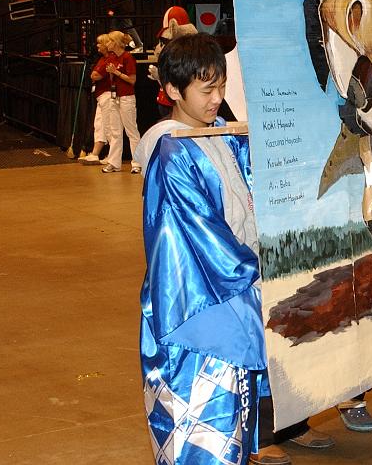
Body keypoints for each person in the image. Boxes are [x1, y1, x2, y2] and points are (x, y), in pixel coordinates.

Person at [131, 32, 266, 465]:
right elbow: (200, 234)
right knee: (200, 428)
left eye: (222, 86)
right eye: (206, 90)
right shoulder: (171, 152)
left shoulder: (220, 137)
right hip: (194, 312)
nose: (217, 99)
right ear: (173, 90)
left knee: (232, 427)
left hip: (232, 305)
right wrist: (262, 267)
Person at [101, 31, 142, 174]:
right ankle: (114, 162)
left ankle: (137, 162)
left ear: (116, 43)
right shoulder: (112, 57)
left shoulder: (128, 57)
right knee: (115, 131)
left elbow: (132, 80)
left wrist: (116, 73)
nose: (107, 44)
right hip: (114, 97)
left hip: (126, 98)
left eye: (110, 41)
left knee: (131, 131)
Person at [81, 34, 116, 165]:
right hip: (100, 96)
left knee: (109, 125)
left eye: (100, 43)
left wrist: (96, 75)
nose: (97, 46)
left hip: (108, 95)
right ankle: (95, 153)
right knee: (99, 124)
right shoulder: (102, 59)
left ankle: (112, 154)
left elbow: (98, 75)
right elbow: (93, 74)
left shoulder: (111, 59)